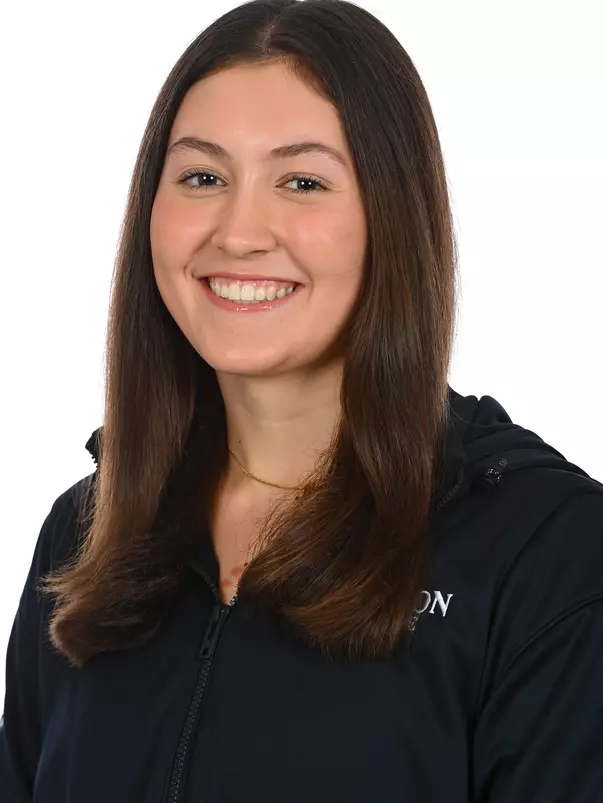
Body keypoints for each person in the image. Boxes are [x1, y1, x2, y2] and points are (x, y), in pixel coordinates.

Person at [2, 0, 602, 800]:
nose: (241, 231)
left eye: (302, 180)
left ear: (392, 218)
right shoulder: (87, 534)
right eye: (202, 177)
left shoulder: (544, 549)